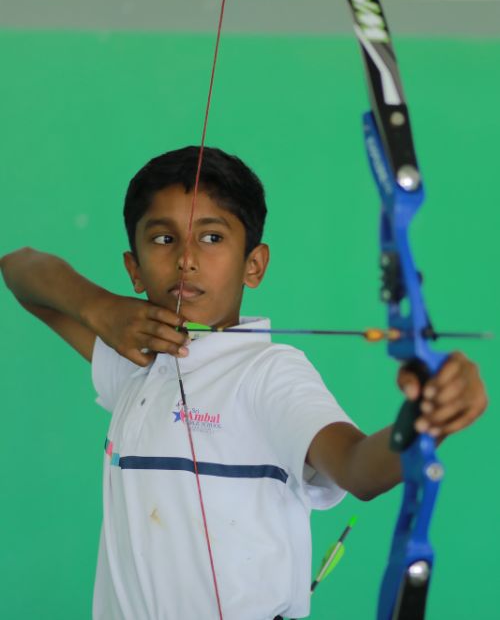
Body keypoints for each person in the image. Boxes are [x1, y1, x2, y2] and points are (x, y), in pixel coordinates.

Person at [0, 146, 487, 620]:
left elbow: (358, 468)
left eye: (212, 237)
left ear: (254, 265)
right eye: (163, 239)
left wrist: (427, 421)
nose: (186, 259)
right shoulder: (134, 357)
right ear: (134, 268)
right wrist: (99, 307)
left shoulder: (268, 373)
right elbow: (20, 268)